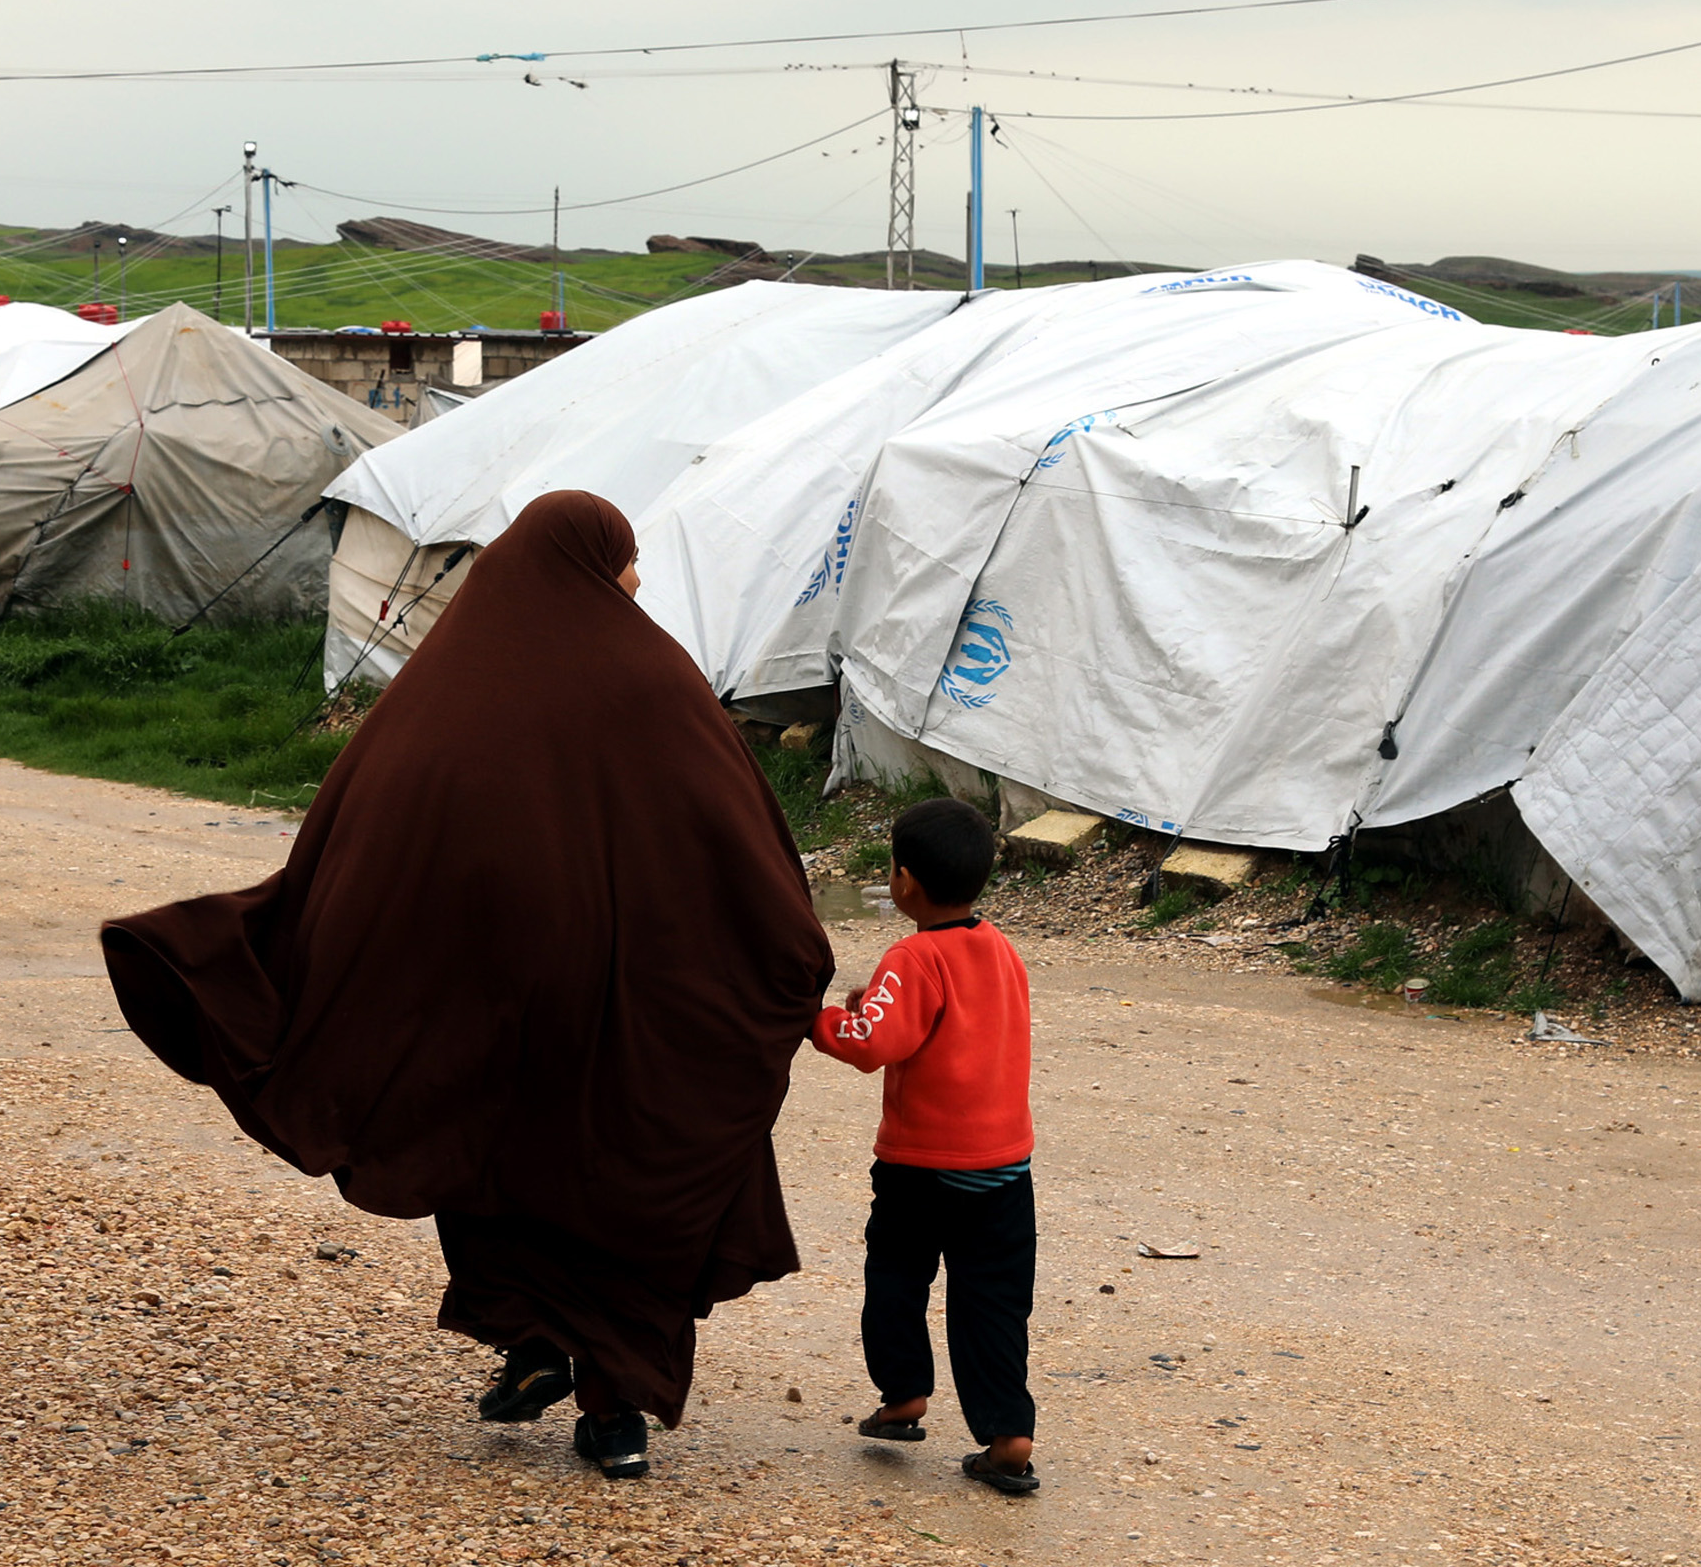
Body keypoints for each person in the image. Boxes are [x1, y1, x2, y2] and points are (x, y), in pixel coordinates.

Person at [99, 490, 833, 1481]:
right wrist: (775, 953)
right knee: (610, 1177)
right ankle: (609, 1406)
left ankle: (535, 1341)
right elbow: (738, 841)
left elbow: (368, 831)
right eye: (627, 558)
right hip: (618, 1007)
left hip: (489, 1001)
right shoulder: (654, 677)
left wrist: (346, 941)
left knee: (490, 1152)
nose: (639, 579)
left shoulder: (448, 679)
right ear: (589, 561)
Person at [809, 797, 1040, 1496]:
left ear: (905, 882)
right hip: (1004, 1169)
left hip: (921, 1168)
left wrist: (818, 1021)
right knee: (994, 1302)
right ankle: (1008, 1435)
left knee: (898, 1280)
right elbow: (942, 1025)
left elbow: (877, 1042)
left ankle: (904, 1397)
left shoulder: (913, 955)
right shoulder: (999, 948)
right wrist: (874, 1000)